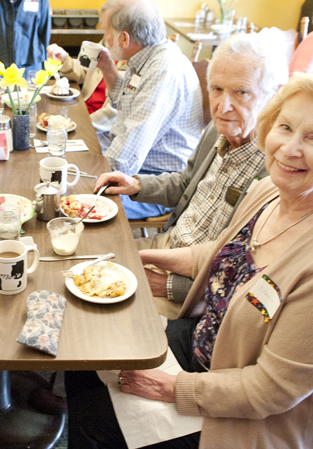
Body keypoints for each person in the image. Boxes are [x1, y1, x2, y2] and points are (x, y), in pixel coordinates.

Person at [60, 63, 313, 449]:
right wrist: (141, 256)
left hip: (253, 422)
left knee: (92, 422)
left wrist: (175, 388)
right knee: (85, 352)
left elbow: (270, 392)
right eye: (285, 127)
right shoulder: (272, 190)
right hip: (210, 345)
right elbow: (230, 253)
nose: (289, 148)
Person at [96, 32, 287, 316]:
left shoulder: (278, 171)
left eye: (241, 92)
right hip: (167, 243)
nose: (222, 106)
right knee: (85, 264)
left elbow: (252, 272)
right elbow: (186, 183)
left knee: (101, 322)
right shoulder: (218, 130)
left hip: (195, 291)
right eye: (217, 89)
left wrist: (172, 286)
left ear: (276, 93)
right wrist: (135, 184)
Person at [94, 0, 204, 219]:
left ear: (124, 39)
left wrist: (85, 173)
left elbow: (124, 160)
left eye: (107, 31)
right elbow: (125, 103)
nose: (104, 37)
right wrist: (107, 67)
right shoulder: (146, 56)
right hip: (139, 164)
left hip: (157, 182)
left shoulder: (163, 71)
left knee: (74, 198)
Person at [46, 42, 118, 134]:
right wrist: (64, 60)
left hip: (99, 128)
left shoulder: (132, 61)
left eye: (108, 30)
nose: (105, 35)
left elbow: (113, 114)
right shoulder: (105, 43)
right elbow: (83, 71)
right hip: (81, 110)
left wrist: (79, 124)